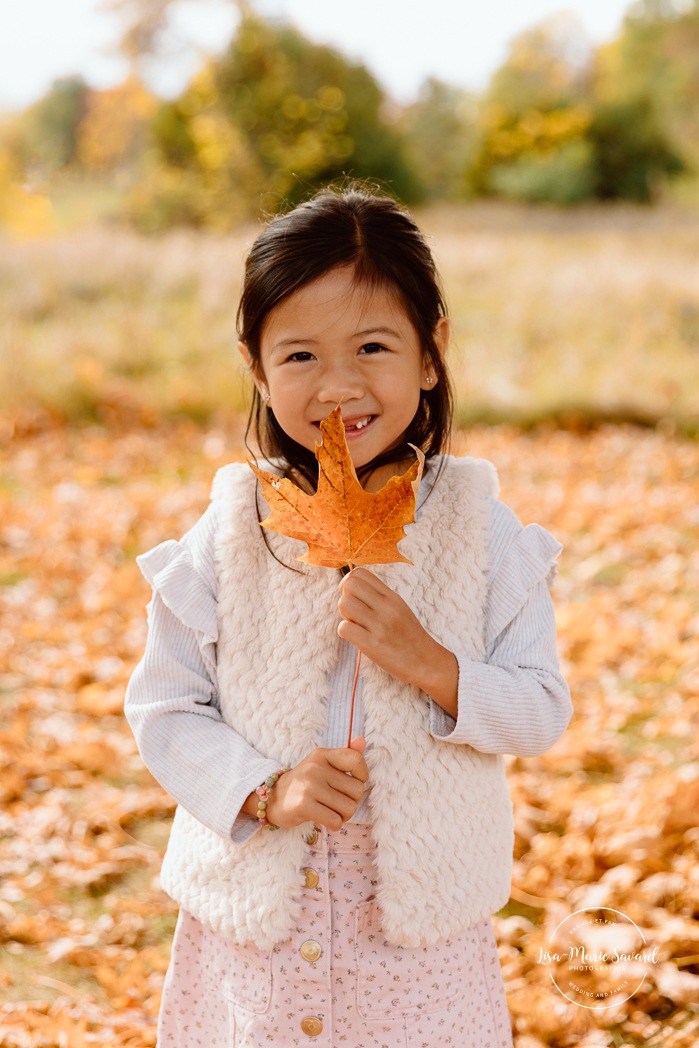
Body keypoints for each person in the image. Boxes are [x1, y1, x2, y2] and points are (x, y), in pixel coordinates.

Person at [124, 184, 573, 1048]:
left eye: (373, 346)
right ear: (255, 365)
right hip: (260, 922)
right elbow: (165, 708)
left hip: (414, 937)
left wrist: (433, 664)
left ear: (430, 353)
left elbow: (540, 706)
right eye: (299, 356)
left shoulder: (481, 531)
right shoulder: (230, 531)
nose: (338, 387)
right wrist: (267, 789)